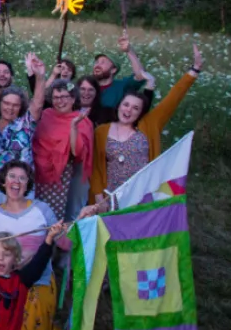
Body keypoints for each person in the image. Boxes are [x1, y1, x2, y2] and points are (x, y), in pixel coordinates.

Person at [82, 45, 203, 217]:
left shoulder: (149, 125)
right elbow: (96, 169)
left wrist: (194, 70)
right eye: (126, 105)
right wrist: (98, 196)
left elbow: (173, 98)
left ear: (140, 112)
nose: (129, 110)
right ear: (119, 106)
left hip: (143, 194)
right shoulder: (102, 131)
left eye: (135, 108)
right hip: (110, 197)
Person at [0, 161, 71, 330]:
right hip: (6, 281)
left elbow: (64, 242)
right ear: (3, 182)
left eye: (22, 178)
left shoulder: (42, 210)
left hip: (38, 279)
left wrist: (80, 222)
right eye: (12, 176)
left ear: (28, 184)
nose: (17, 181)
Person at [0, 54, 47, 238]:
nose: (10, 108)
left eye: (15, 105)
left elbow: (38, 103)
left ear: (21, 107)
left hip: (20, 183)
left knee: (21, 230)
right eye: (6, 103)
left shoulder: (25, 124)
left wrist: (40, 77)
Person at [32, 80, 93, 220]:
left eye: (64, 97)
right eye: (56, 98)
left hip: (61, 181)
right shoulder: (46, 114)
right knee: (36, 219)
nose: (60, 101)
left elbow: (77, 152)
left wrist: (73, 127)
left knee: (54, 221)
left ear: (73, 98)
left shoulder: (81, 121)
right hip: (37, 176)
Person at [92, 31, 146, 109]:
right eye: (96, 62)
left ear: (113, 70)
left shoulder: (122, 86)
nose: (97, 65)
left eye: (103, 62)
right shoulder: (87, 86)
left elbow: (141, 75)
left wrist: (129, 51)